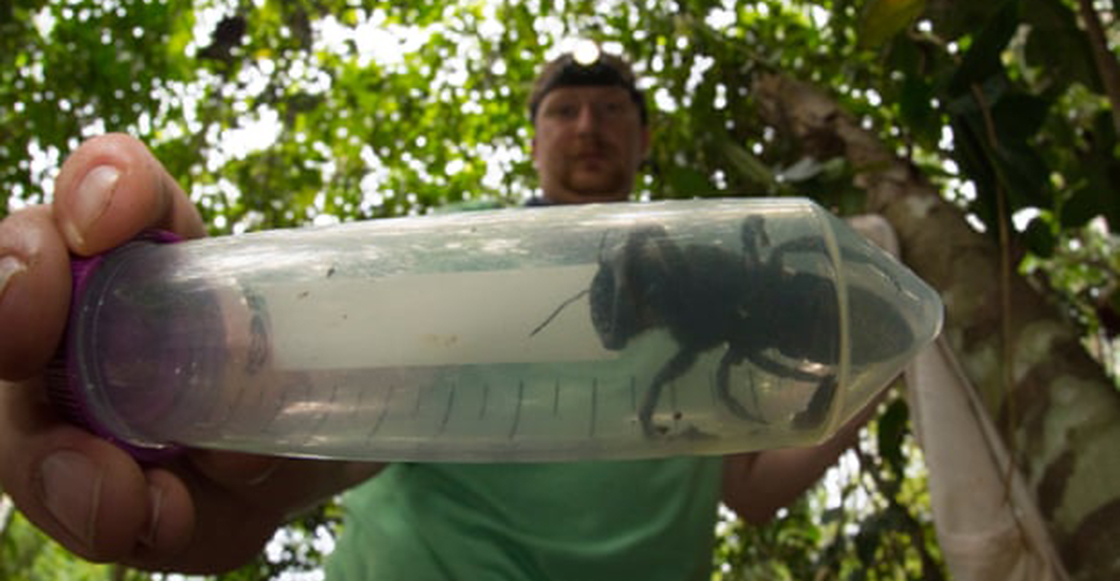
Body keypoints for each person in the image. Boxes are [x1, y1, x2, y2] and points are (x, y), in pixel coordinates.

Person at [0, 49, 874, 578]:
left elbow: (751, 485)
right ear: (535, 138)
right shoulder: (469, 247)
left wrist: (876, 356)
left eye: (612, 110)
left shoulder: (715, 253)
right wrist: (244, 451)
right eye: (564, 110)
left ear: (644, 139)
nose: (587, 126)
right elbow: (357, 415)